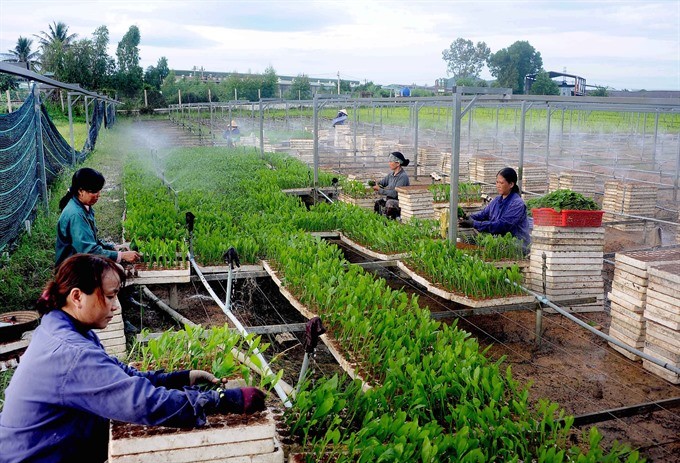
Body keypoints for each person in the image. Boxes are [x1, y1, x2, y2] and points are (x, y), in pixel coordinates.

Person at [0, 254, 267, 463]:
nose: (116, 306)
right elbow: (142, 403)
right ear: (77, 296)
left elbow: (120, 375)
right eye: (110, 296)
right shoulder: (72, 353)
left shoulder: (63, 327)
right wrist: (222, 400)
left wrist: (178, 378)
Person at [55, 167, 141, 268]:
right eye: (94, 191)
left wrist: (114, 247)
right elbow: (88, 251)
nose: (98, 195)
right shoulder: (76, 215)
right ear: (80, 191)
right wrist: (121, 255)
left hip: (78, 262)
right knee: (118, 270)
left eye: (99, 191)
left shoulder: (83, 206)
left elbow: (92, 241)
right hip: (71, 271)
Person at [459, 167, 531, 251]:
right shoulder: (497, 200)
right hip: (500, 244)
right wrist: (468, 217)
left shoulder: (517, 204)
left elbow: (502, 225)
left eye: (501, 183)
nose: (498, 186)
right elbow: (483, 215)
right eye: (497, 182)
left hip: (517, 246)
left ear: (511, 184)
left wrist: (474, 223)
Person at [372, 151, 410, 220]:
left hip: (399, 203)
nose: (389, 163)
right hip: (390, 201)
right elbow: (381, 183)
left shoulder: (403, 177)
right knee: (378, 203)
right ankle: (378, 222)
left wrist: (380, 190)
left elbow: (394, 194)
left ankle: (389, 222)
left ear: (398, 163)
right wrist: (375, 183)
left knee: (390, 203)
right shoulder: (391, 175)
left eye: (391, 161)